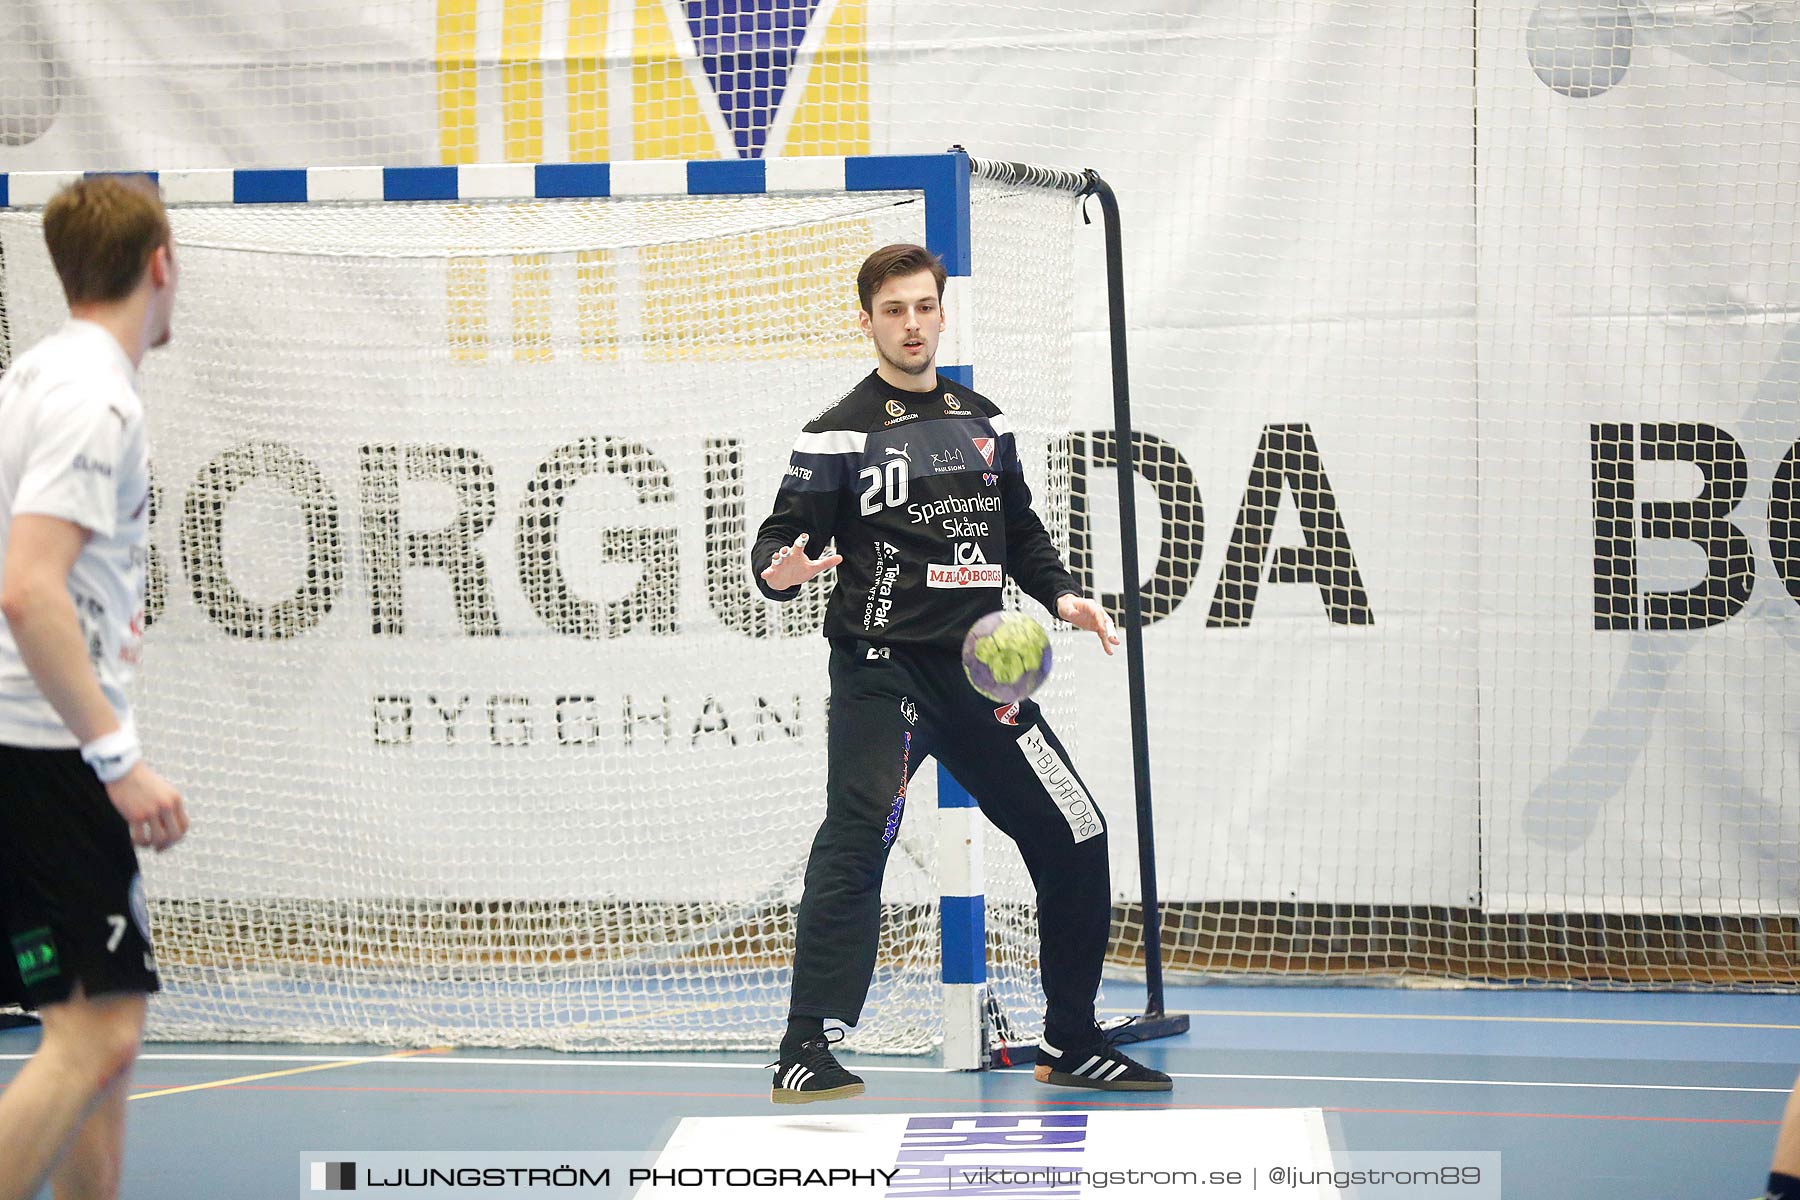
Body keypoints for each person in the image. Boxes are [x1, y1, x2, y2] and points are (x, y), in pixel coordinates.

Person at [752, 243, 1171, 1103]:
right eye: (894, 310)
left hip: (982, 675)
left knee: (1077, 831)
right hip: (882, 678)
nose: (911, 324)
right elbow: (774, 546)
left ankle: (1076, 1038)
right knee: (855, 836)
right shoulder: (838, 429)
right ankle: (807, 1044)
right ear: (866, 319)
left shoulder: (984, 420)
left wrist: (1063, 598)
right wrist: (781, 572)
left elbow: (1020, 535)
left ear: (943, 314)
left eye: (924, 307)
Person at [0, 174, 189, 1200]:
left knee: (100, 1029)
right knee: (96, 1033)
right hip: (46, 757)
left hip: (35, 751)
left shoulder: (37, 377)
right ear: (162, 264)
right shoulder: (91, 398)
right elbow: (26, 591)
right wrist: (115, 757)